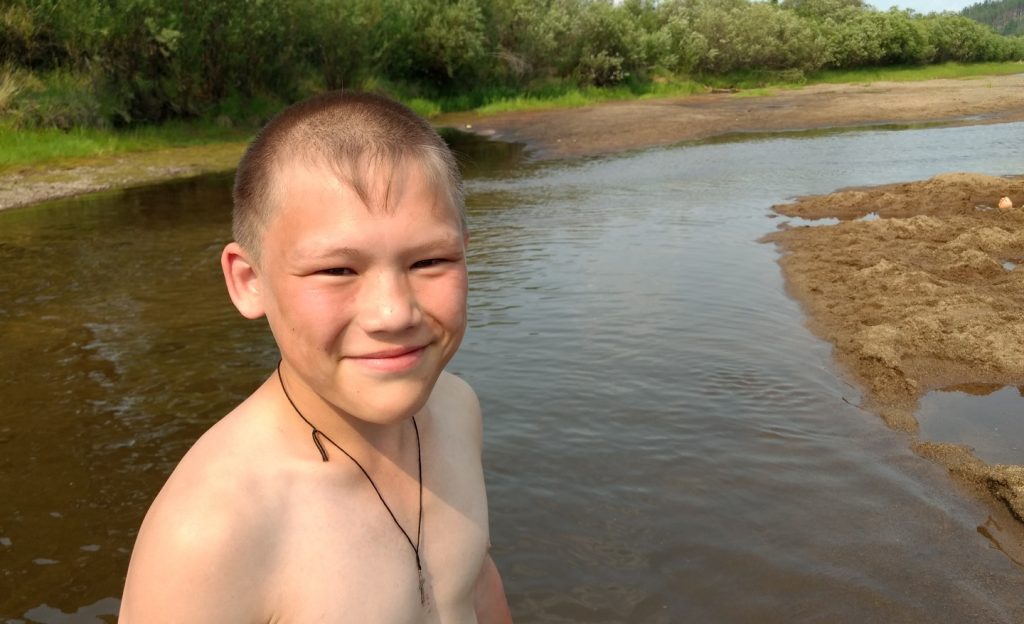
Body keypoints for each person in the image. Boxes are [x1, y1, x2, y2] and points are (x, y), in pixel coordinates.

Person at [121, 91, 513, 623]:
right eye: (337, 271)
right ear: (249, 281)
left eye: (430, 259)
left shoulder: (457, 408)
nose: (393, 313)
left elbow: (475, 587)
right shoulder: (212, 533)